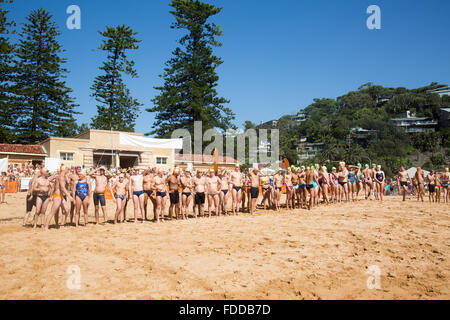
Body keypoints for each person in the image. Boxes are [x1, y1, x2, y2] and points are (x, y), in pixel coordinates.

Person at [44, 166, 74, 230]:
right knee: (53, 212)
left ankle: (62, 224)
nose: (68, 170)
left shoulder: (62, 176)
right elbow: (62, 188)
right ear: (64, 170)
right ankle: (46, 226)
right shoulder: (61, 177)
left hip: (60, 196)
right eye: (67, 169)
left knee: (67, 209)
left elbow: (56, 186)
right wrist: (69, 196)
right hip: (57, 196)